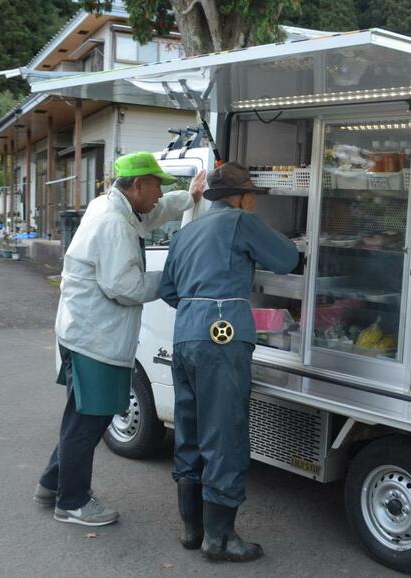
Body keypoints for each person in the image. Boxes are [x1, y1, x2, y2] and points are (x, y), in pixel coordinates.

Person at [34, 151, 206, 526]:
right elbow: (123, 286)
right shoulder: (114, 224)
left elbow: (154, 214)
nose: (161, 193)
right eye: (158, 185)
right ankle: (73, 502)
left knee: (80, 417)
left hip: (82, 333)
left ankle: (52, 484)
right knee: (87, 422)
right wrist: (173, 279)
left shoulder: (113, 207)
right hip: (94, 338)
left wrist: (190, 197)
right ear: (138, 185)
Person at [160, 162, 298, 562]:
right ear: (239, 197)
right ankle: (220, 540)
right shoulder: (241, 221)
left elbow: (170, 290)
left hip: (185, 334)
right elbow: (287, 258)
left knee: (190, 429)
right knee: (225, 434)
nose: (253, 199)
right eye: (251, 193)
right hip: (222, 336)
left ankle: (192, 529)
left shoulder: (184, 233)